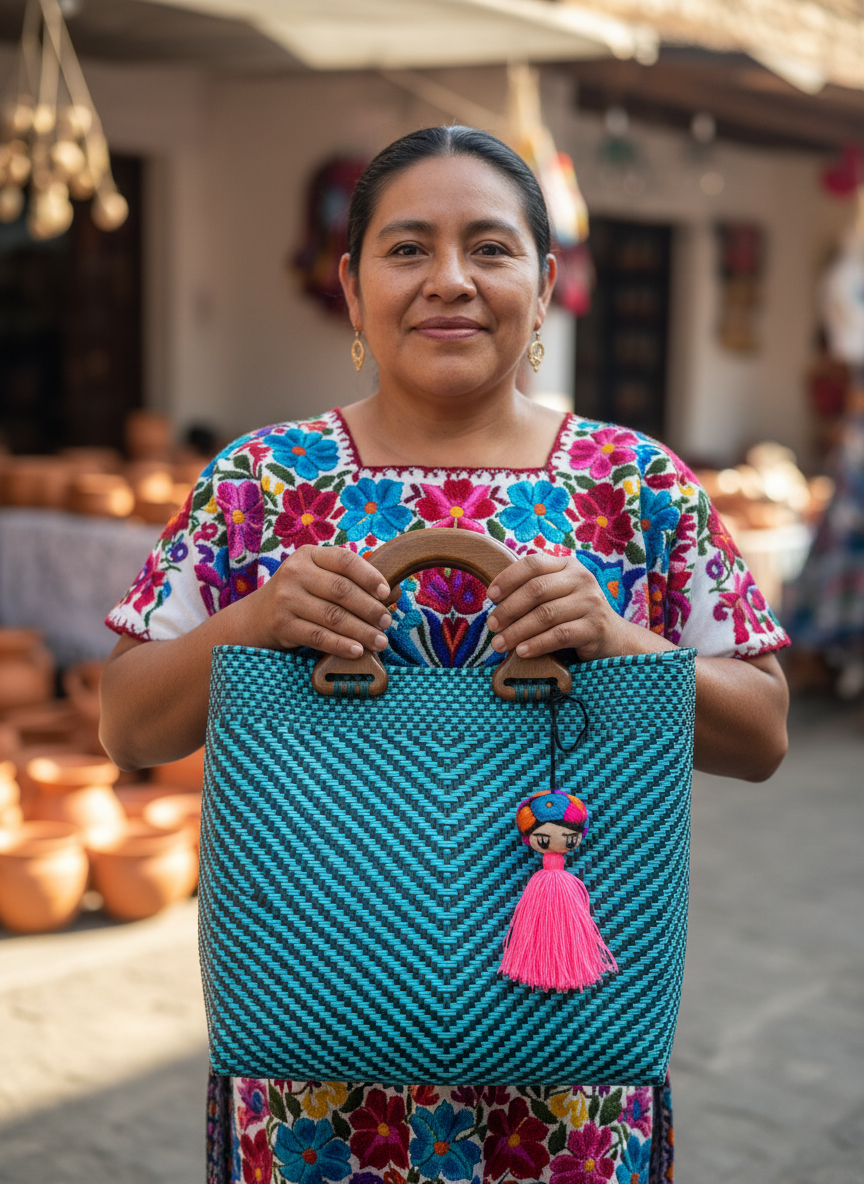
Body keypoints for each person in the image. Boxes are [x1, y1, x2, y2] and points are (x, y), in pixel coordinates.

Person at [99, 126, 790, 1184]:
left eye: (492, 248)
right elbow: (129, 724)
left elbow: (764, 736)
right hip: (313, 1087)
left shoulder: (637, 486)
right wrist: (251, 620)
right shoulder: (262, 483)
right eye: (409, 247)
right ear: (351, 281)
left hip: (567, 1090)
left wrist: (617, 639)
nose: (451, 282)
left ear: (550, 280)